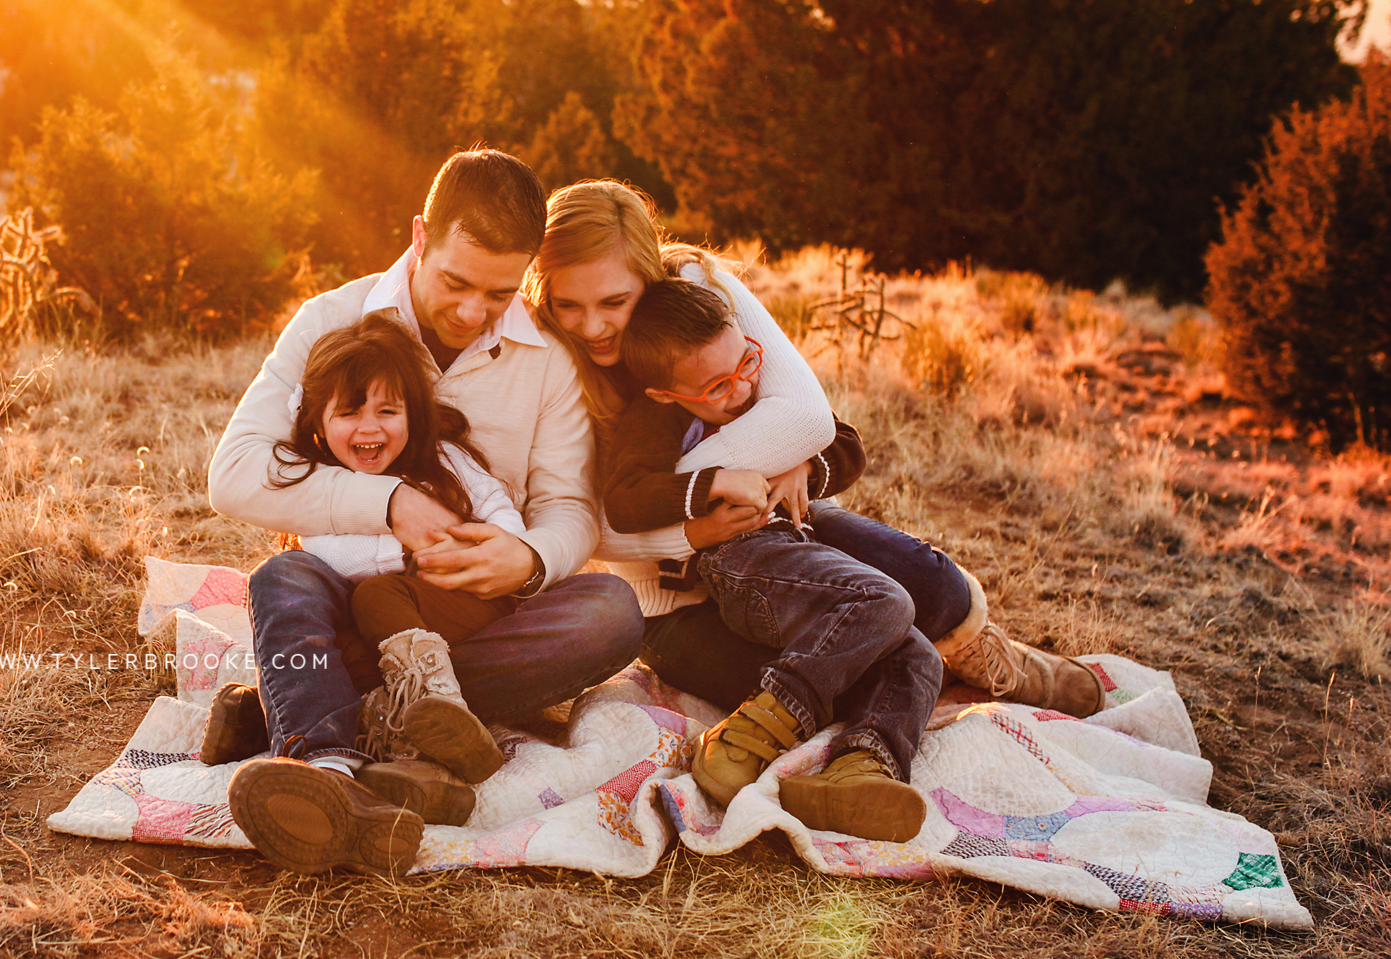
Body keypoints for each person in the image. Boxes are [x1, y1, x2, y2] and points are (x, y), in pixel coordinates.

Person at [527, 182, 1105, 815]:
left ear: (649, 276)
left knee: (930, 591)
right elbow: (605, 517)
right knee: (884, 651)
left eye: (614, 300)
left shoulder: (696, 318)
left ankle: (984, 665)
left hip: (770, 533)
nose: (592, 326)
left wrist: (790, 462)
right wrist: (706, 509)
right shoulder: (553, 363)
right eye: (569, 306)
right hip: (674, 591)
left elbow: (817, 425)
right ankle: (855, 754)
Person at [206, 151, 642, 877]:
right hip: (346, 602)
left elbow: (569, 506)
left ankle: (318, 708)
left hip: (466, 610)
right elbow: (234, 475)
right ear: (419, 237)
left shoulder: (547, 360)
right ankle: (331, 769)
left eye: (499, 292)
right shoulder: (333, 321)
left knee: (612, 610)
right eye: (456, 281)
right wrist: (390, 501)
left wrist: (530, 557)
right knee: (283, 576)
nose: (473, 311)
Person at [602, 277, 937, 839]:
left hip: (793, 558)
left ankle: (861, 770)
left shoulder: (763, 396)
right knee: (882, 599)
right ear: (665, 393)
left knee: (919, 658)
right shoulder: (655, 420)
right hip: (739, 564)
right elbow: (624, 499)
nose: (739, 390)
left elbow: (846, 443)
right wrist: (715, 482)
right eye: (717, 387)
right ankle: (748, 734)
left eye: (747, 365)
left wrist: (805, 467)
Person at [243, 311, 521, 818]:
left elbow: (497, 505)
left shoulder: (445, 461)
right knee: (296, 592)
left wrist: (502, 544)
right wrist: (405, 549)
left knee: (375, 597)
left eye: (387, 411)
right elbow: (326, 553)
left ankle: (440, 709)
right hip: (369, 639)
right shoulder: (321, 484)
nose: (369, 428)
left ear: (412, 414)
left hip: (457, 609)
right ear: (319, 428)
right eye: (349, 414)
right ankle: (330, 766)